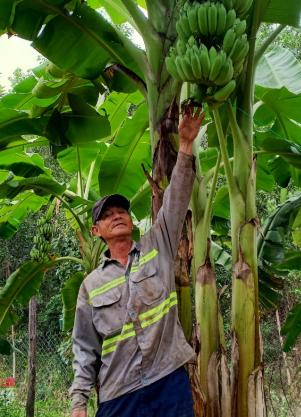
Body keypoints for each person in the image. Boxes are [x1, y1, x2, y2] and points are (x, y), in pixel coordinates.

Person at [70, 105, 205, 417]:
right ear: (96, 231)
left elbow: (175, 200)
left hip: (168, 380)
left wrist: (185, 146)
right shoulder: (91, 286)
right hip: (120, 394)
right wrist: (79, 403)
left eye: (121, 211)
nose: (116, 216)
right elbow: (85, 349)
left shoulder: (158, 245)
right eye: (107, 216)